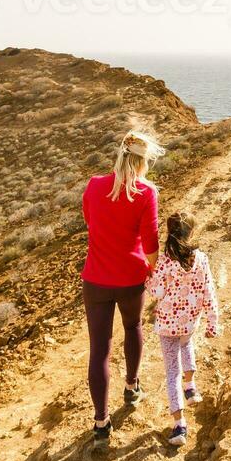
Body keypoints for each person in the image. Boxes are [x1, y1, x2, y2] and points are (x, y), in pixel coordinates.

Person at [81, 130, 163, 444]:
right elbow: (152, 243)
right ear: (143, 161)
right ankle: (131, 388)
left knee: (99, 350)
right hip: (131, 279)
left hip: (96, 279)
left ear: (119, 155)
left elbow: (90, 220)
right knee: (133, 327)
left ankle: (101, 422)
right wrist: (153, 271)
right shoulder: (146, 192)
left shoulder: (94, 185)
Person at [146, 211, 220, 446]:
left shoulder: (165, 261)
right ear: (191, 233)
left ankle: (179, 426)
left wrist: (147, 279)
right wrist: (212, 321)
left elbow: (156, 292)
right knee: (187, 345)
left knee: (171, 374)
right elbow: (209, 291)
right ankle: (191, 389)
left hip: (168, 324)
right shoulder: (202, 259)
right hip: (190, 320)